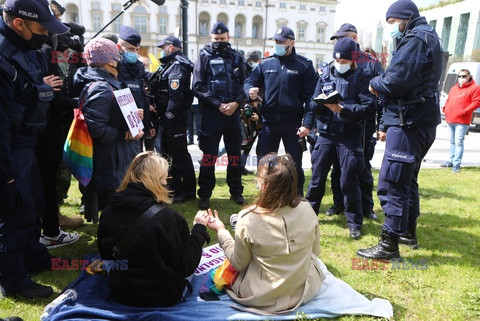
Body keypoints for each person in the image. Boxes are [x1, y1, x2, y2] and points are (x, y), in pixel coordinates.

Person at [357, 0, 443, 259]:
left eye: (393, 22)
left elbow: (395, 81)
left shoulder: (415, 39)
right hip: (420, 120)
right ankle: (407, 231)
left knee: (393, 181)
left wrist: (374, 82)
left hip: (408, 121)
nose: (391, 27)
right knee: (407, 179)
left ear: (405, 18)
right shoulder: (428, 36)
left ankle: (388, 244)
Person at [0, 0, 70, 298]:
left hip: (28, 141)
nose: (45, 35)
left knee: (33, 206)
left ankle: (33, 258)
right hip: (10, 145)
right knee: (13, 211)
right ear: (19, 24)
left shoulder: (26, 49)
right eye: (41, 29)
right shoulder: (3, 58)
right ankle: (14, 281)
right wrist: (6, 176)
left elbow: (35, 87)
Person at [206, 153, 325, 314]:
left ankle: (242, 235)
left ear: (263, 185)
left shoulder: (248, 218)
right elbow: (315, 252)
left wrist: (221, 232)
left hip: (261, 296)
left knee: (225, 269)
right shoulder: (307, 209)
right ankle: (246, 237)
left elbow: (238, 264)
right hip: (304, 291)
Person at [98, 151, 210, 307]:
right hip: (161, 296)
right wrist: (199, 229)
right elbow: (187, 266)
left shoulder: (109, 211)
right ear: (155, 181)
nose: (167, 182)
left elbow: (106, 255)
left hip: (122, 292)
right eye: (165, 178)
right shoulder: (170, 219)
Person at [305, 38, 376, 240]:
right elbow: (312, 103)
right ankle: (309, 217)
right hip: (326, 134)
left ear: (353, 60)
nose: (340, 64)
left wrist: (343, 110)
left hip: (350, 136)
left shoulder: (363, 77)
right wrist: (320, 104)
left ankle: (354, 223)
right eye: (338, 60)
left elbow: (369, 108)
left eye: (345, 61)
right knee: (317, 178)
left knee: (348, 180)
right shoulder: (325, 74)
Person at [73, 38, 144, 223]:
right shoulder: (102, 87)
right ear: (109, 61)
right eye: (117, 56)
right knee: (113, 213)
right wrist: (124, 134)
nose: (120, 59)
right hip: (111, 162)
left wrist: (132, 115)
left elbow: (109, 114)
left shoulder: (108, 83)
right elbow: (96, 128)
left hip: (117, 159)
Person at [244, 26, 317, 196]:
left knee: (295, 163)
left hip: (293, 124)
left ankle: (296, 196)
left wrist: (307, 124)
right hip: (269, 123)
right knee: (264, 161)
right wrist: (249, 90)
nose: (278, 44)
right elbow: (249, 81)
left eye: (281, 42)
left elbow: (311, 98)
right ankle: (266, 194)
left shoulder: (304, 65)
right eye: (276, 41)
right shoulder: (267, 63)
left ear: (292, 42)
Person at [326, 23, 383, 222]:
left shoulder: (370, 63)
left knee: (362, 168)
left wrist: (381, 126)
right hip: (338, 125)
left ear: (354, 38)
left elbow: (380, 98)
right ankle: (338, 203)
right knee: (338, 168)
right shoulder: (336, 61)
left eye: (343, 38)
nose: (339, 43)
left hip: (363, 126)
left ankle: (367, 207)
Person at [192, 21, 247, 210]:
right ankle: (205, 195)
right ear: (211, 37)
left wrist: (235, 103)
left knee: (234, 157)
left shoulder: (237, 58)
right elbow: (197, 86)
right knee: (209, 157)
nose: (219, 42)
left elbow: (244, 85)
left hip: (232, 114)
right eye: (216, 39)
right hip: (212, 114)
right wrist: (219, 104)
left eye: (222, 39)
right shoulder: (203, 56)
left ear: (229, 38)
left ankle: (236, 192)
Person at [150, 36, 196, 203]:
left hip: (175, 119)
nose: (161, 50)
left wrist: (168, 118)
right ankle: (174, 188)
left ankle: (189, 190)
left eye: (163, 47)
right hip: (168, 118)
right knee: (169, 155)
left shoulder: (177, 66)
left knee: (180, 155)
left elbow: (176, 97)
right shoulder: (169, 65)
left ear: (171, 47)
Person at [117, 26, 155, 152]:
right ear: (119, 47)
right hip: (121, 128)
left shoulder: (139, 68)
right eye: (130, 49)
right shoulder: (115, 68)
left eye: (136, 49)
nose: (134, 52)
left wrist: (148, 124)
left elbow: (143, 98)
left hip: (138, 127)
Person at [441, 69, 480, 172]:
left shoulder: (475, 88)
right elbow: (448, 100)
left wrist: (464, 111)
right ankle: (451, 161)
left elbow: (476, 102)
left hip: (462, 120)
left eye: (463, 76)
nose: (461, 78)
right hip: (450, 118)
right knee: (452, 141)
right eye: (460, 76)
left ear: (469, 77)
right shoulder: (454, 88)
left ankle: (456, 164)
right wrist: (445, 109)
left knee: (458, 142)